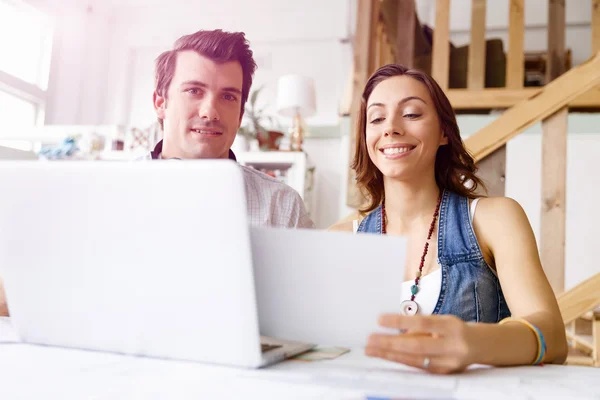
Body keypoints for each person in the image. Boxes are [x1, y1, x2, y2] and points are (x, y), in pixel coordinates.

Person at [329, 64, 567, 374]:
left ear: (444, 131)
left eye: (411, 114)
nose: (391, 128)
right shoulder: (340, 240)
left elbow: (554, 338)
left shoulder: (495, 219)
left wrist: (474, 342)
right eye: (376, 118)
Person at [144, 29, 313, 229]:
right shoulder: (111, 193)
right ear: (160, 103)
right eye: (193, 91)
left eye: (228, 96)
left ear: (240, 114)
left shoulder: (282, 207)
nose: (210, 112)